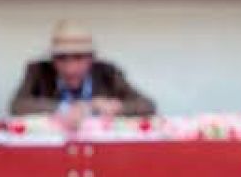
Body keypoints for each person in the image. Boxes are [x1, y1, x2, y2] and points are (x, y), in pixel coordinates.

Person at [9, 21, 156, 127]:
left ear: (91, 58)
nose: (70, 68)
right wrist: (66, 108)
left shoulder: (108, 72)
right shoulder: (38, 71)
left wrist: (116, 107)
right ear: (52, 60)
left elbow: (147, 105)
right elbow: (17, 106)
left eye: (78, 57)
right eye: (62, 58)